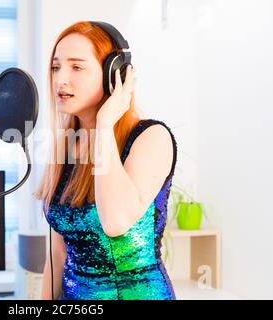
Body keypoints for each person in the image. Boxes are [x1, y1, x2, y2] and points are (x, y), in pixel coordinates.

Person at [33, 21, 178, 300]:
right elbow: (57, 252)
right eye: (55, 67)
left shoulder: (151, 137)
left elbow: (115, 221)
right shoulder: (66, 145)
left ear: (114, 74)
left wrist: (104, 123)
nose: (60, 79)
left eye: (76, 67)